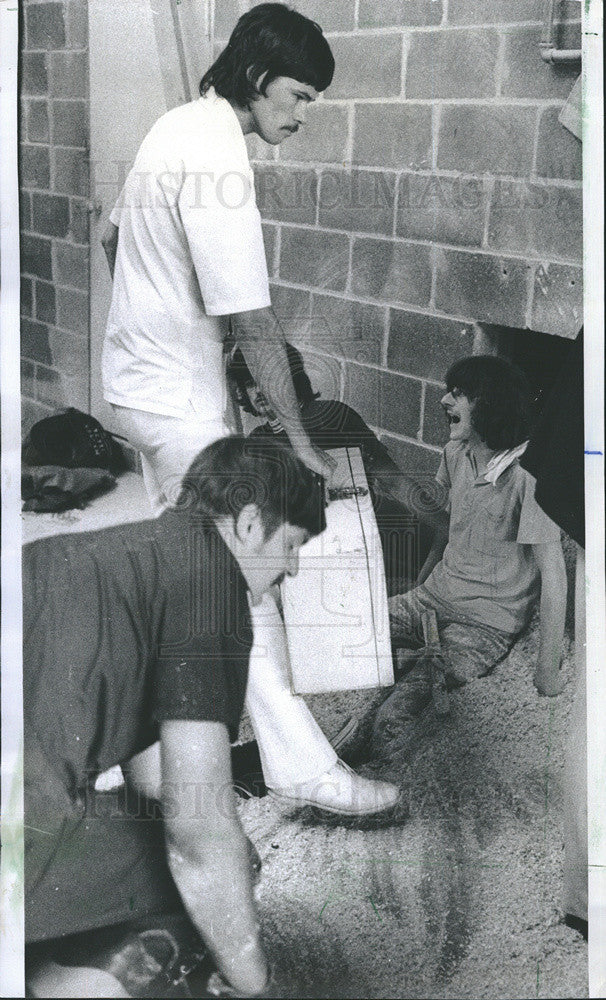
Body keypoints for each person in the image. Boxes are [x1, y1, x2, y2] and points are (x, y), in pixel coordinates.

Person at [100, 3, 399, 815]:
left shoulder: (176, 125)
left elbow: (109, 237)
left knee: (192, 576)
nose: (301, 116)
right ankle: (305, 769)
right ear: (260, 80)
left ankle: (148, 753)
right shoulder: (218, 152)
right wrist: (299, 442)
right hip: (176, 403)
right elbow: (256, 321)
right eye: (298, 96)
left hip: (140, 386)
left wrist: (164, 320)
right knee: (246, 574)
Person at [24, 436, 327, 998]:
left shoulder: (96, 552)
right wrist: (257, 984)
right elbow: (198, 838)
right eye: (292, 544)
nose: (291, 568)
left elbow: (150, 777)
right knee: (220, 875)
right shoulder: (214, 586)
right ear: (249, 523)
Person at [366, 355, 568, 744]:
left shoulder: (528, 476)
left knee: (394, 718)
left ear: (490, 404)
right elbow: (448, 529)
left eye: (458, 395)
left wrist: (547, 671)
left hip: (482, 624)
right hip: (431, 599)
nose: (443, 401)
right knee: (351, 637)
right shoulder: (455, 453)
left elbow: (554, 574)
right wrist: (421, 587)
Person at [227, 342, 447, 591]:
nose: (257, 390)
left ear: (290, 378)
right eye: (249, 383)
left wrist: (442, 524)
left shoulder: (332, 417)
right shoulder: (257, 441)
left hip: (364, 545)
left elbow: (393, 481)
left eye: (264, 378)